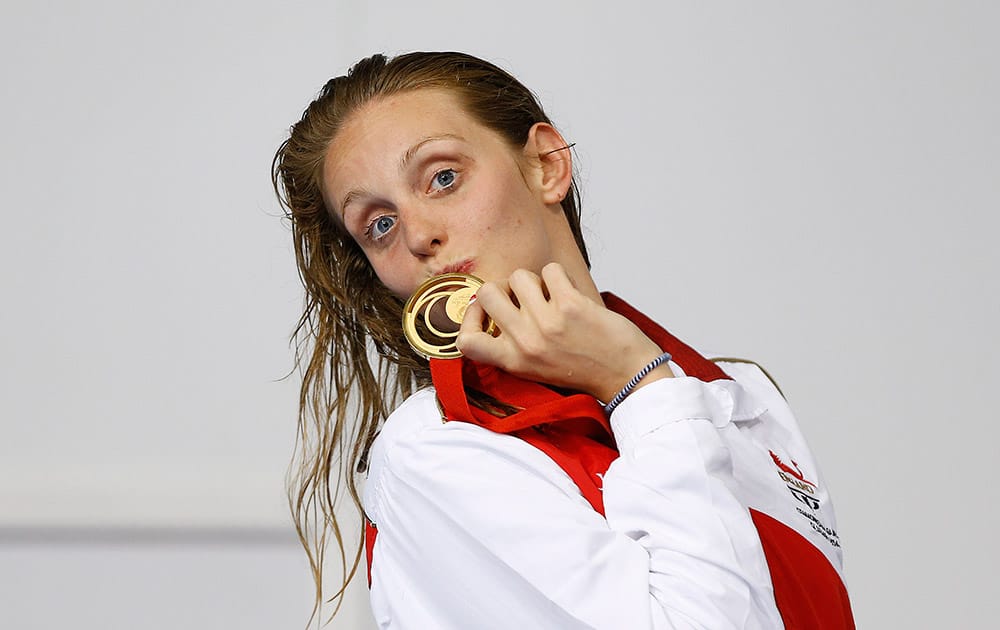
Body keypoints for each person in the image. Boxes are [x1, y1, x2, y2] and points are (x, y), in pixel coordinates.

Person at [272, 51, 855, 629]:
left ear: (546, 165)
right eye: (380, 225)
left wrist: (645, 384)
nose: (420, 235)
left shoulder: (738, 396)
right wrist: (636, 383)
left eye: (443, 178)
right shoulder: (435, 455)